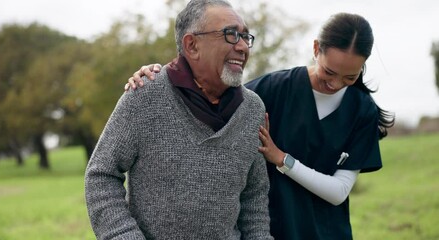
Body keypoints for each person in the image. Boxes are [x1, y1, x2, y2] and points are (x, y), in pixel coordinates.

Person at [125, 12, 395, 239]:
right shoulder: (269, 90)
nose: (335, 85)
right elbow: (204, 96)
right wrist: (158, 78)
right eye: (329, 72)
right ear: (316, 49)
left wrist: (282, 160)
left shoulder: (363, 111)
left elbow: (338, 192)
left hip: (329, 233)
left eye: (349, 77)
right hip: (268, 231)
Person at [85, 0, 273, 239]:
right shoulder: (146, 94)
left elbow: (254, 197)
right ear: (192, 45)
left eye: (245, 37)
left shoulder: (252, 109)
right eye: (231, 34)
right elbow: (102, 175)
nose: (243, 47)